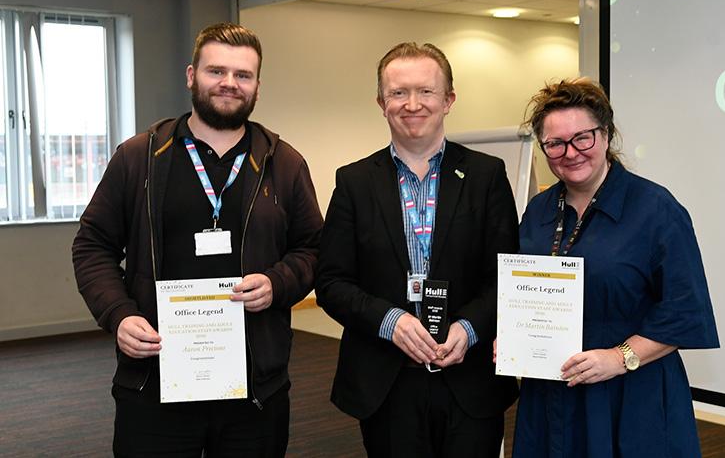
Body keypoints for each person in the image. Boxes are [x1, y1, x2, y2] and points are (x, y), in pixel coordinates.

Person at [72, 22, 323, 457]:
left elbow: (315, 248)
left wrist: (278, 282)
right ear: (192, 76)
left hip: (255, 386)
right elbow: (92, 245)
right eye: (216, 71)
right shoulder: (139, 157)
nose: (229, 83)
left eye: (243, 75)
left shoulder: (284, 163)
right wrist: (119, 316)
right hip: (154, 380)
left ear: (257, 87)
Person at [315, 42, 519, 457]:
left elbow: (505, 276)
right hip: (388, 382)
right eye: (398, 92)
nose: (413, 104)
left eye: (426, 91)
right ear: (381, 102)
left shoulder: (486, 175)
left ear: (449, 100)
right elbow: (332, 283)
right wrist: (391, 321)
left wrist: (469, 328)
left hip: (469, 377)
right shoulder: (354, 182)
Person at [511, 78, 719, 457]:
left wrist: (618, 358)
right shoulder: (539, 212)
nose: (570, 152)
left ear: (605, 134)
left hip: (631, 396)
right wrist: (511, 335)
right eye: (555, 144)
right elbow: (522, 288)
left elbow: (685, 312)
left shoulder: (656, 210)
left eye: (582, 138)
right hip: (552, 397)